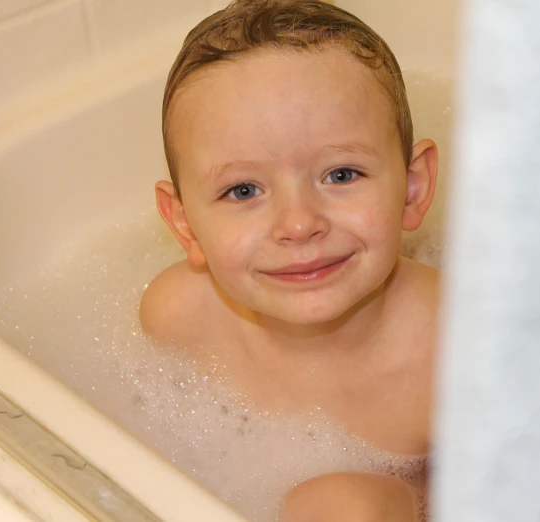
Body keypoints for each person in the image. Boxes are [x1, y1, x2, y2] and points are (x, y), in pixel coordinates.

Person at [139, 1, 439, 519]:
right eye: (243, 189)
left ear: (412, 190)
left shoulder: (459, 347)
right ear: (185, 223)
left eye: (341, 175)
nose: (298, 224)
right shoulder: (178, 317)